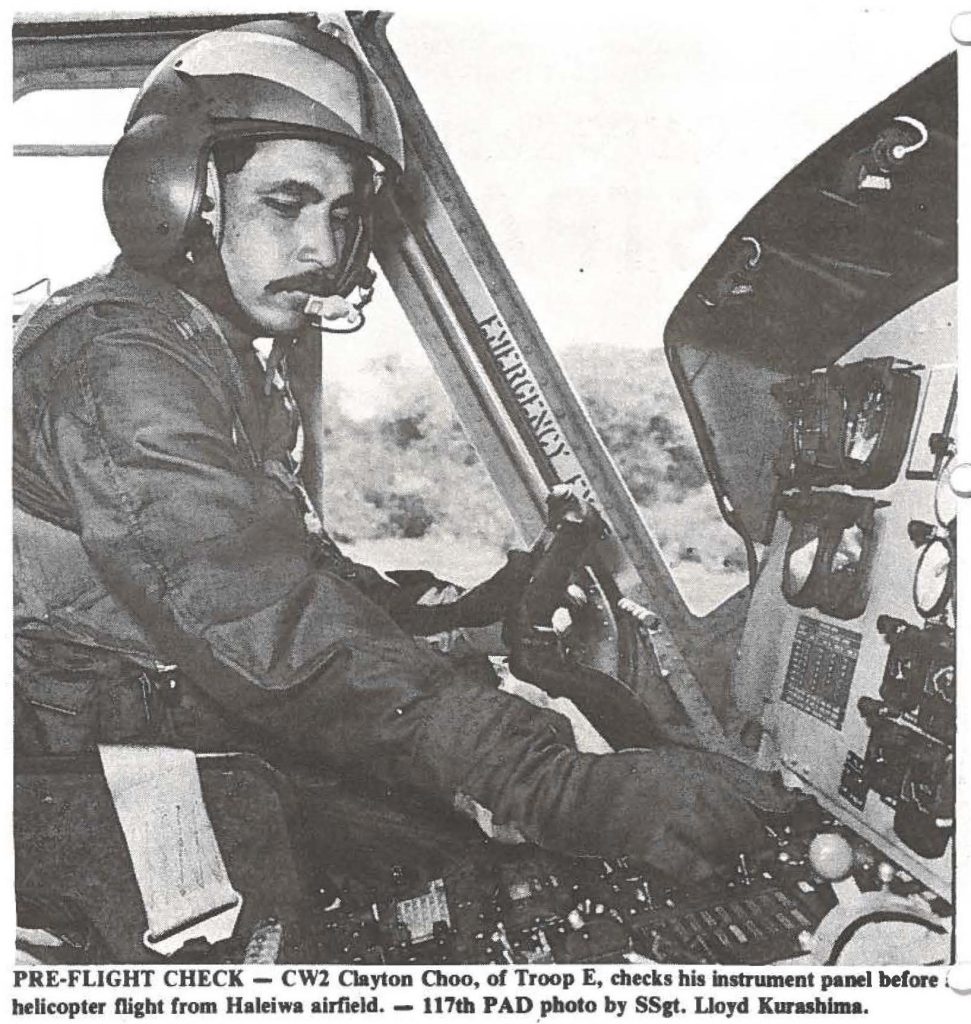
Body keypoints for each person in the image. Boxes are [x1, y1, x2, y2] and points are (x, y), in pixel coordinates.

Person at [13, 18, 790, 886]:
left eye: (343, 215)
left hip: (194, 729)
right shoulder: (119, 361)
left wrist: (447, 613)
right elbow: (253, 621)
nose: (323, 248)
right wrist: (543, 781)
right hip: (106, 779)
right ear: (172, 195)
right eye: (286, 204)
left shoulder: (207, 351)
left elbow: (282, 571)